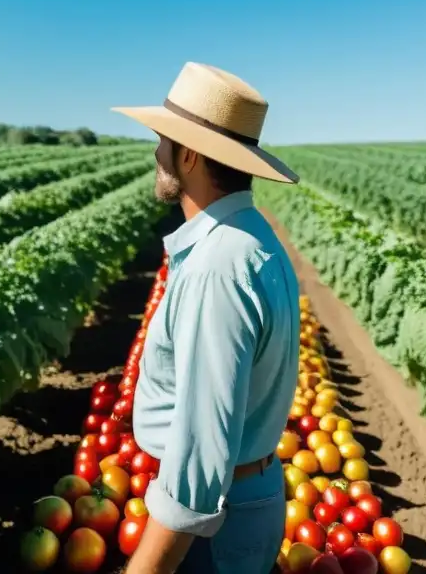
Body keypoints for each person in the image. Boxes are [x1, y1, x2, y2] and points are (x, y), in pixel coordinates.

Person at [111, 61, 301, 574]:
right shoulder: (255, 240)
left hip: (214, 522)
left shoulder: (219, 267)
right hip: (247, 495)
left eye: (162, 140)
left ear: (189, 153)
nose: (156, 151)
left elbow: (199, 459)